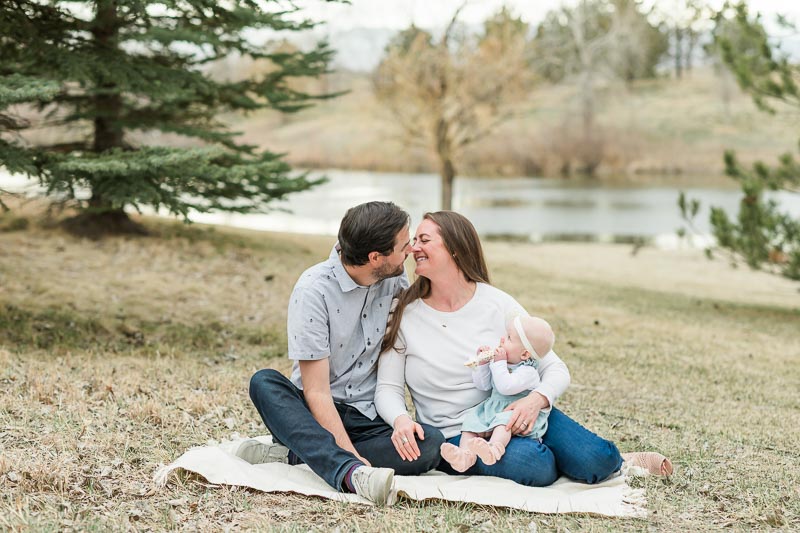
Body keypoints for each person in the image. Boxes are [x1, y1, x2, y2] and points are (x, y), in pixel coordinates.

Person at [376, 211, 672, 487]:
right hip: (458, 433)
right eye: (414, 240)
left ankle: (621, 460)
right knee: (536, 465)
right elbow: (387, 388)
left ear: (455, 248)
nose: (414, 247)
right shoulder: (404, 313)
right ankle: (535, 458)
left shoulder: (497, 303)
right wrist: (401, 420)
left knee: (600, 459)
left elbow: (555, 368)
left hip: (514, 413)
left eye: (424, 240)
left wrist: (536, 401)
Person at [238, 202, 445, 506]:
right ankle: (350, 473)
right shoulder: (313, 290)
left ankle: (299, 454)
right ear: (376, 257)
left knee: (431, 445)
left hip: (366, 416)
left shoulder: (395, 281)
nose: (412, 250)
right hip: (312, 410)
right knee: (264, 382)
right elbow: (317, 392)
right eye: (404, 245)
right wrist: (352, 457)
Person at [440, 315, 555, 472]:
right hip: (494, 407)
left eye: (509, 338)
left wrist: (498, 362)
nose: (502, 340)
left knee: (503, 423)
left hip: (514, 412)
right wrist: (482, 364)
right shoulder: (504, 364)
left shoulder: (528, 372)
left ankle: (494, 448)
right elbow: (483, 385)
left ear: (525, 355)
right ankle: (465, 455)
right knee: (471, 423)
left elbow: (505, 387)